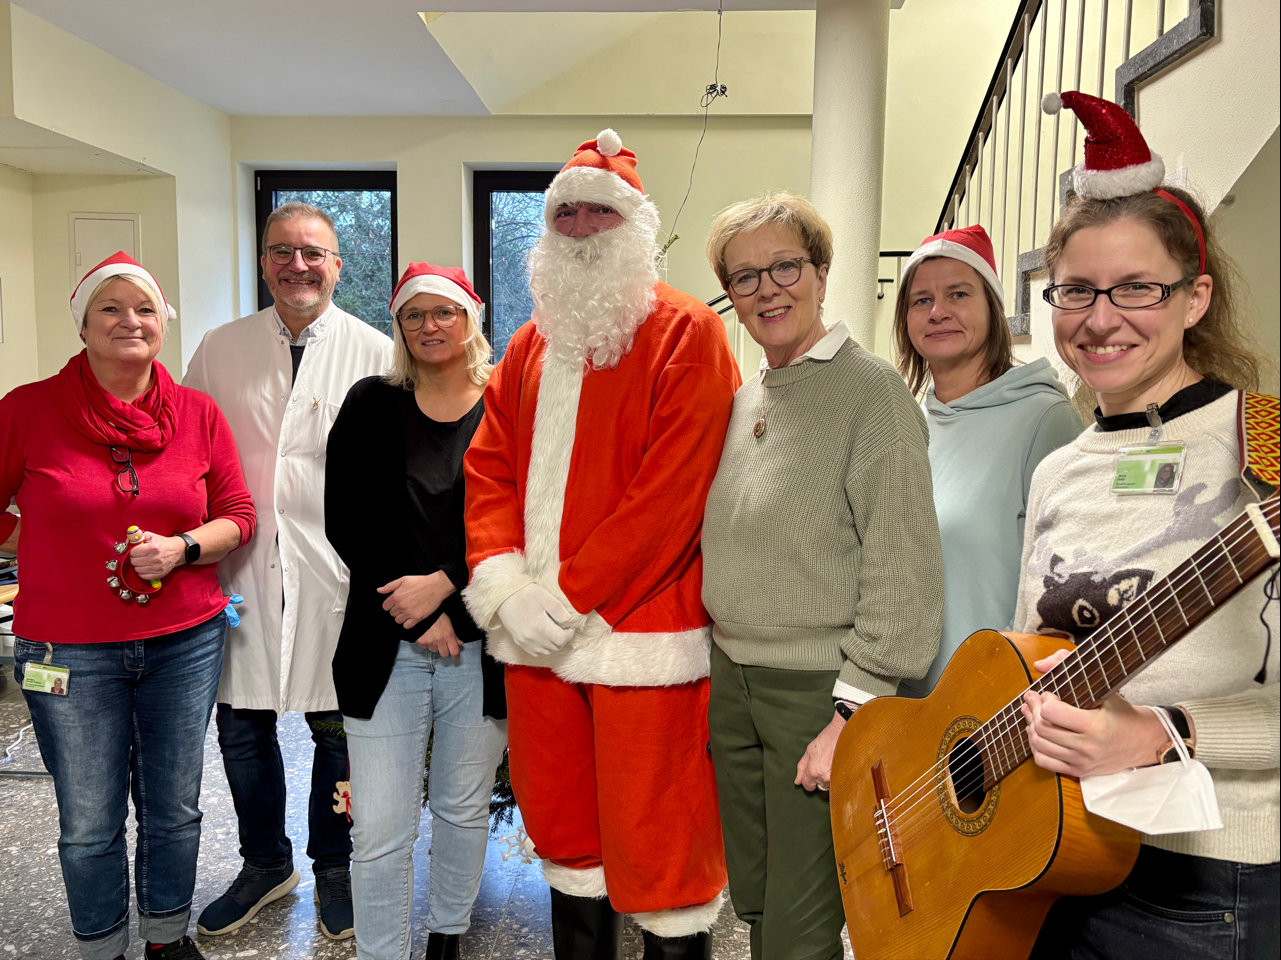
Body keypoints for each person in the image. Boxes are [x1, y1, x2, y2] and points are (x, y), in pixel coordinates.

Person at [1013, 92, 1279, 959]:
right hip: (1053, 850)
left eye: (1136, 287)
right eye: (1076, 290)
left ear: (1194, 296)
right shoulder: (1059, 465)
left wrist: (1165, 734)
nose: (1099, 319)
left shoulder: (1269, 440)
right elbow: (1031, 656)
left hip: (1203, 881)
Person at [462, 129, 739, 960]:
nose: (580, 228)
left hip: (640, 640)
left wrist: (567, 598)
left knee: (662, 856)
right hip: (536, 643)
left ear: (635, 227)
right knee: (567, 847)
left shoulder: (688, 332)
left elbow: (671, 495)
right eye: (566, 213)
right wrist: (507, 589)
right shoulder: (527, 345)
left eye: (598, 212)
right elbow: (488, 469)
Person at [699, 192, 945, 960]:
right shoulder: (750, 395)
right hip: (731, 676)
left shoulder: (870, 392)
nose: (766, 289)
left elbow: (904, 568)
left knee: (803, 921)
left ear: (822, 273)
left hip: (816, 691)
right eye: (744, 277)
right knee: (757, 897)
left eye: (784, 267)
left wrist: (849, 713)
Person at [0, 252, 256, 960]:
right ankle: (101, 945)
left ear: (163, 324)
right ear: (82, 324)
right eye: (110, 308)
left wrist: (183, 548)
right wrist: (46, 548)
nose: (129, 321)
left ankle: (166, 938)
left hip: (185, 638)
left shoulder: (199, 414)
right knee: (89, 818)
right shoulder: (26, 410)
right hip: (67, 650)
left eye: (143, 308)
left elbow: (237, 511)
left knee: (174, 808)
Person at [184, 203, 393, 941]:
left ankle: (333, 865)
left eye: (313, 253)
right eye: (281, 252)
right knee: (241, 724)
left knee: (336, 728)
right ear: (264, 262)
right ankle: (264, 863)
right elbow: (186, 451)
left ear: (338, 265)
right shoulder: (219, 348)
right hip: (238, 565)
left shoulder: (375, 350)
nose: (296, 265)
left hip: (338, 573)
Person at [327, 263, 508, 960]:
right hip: (383, 642)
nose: (430, 327)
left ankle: (445, 942)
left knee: (462, 810)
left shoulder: (505, 405)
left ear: (471, 320)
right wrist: (416, 608)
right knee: (378, 826)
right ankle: (380, 952)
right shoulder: (372, 401)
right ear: (398, 327)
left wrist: (449, 594)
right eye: (415, 315)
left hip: (480, 641)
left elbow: (523, 522)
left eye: (445, 313)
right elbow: (345, 518)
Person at [892, 224, 1081, 697]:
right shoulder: (906, 421)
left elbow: (1067, 590)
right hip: (902, 709)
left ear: (993, 310)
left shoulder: (1045, 419)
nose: (938, 312)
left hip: (993, 713)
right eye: (921, 300)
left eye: (958, 294)